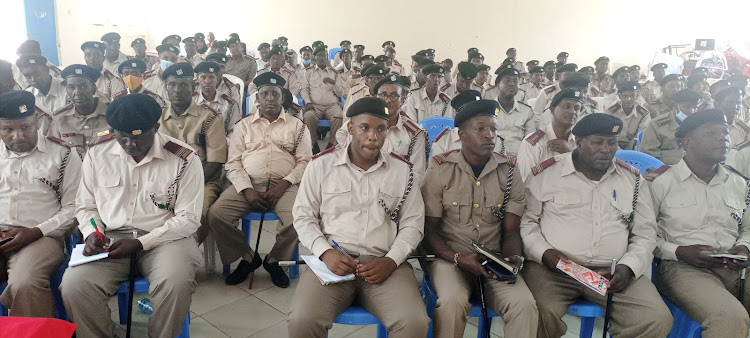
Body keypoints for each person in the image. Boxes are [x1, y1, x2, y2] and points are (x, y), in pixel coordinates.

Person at [60, 93, 204, 338]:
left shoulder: (183, 158)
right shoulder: (97, 153)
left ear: (156, 128)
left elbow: (188, 218)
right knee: (75, 286)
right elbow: (86, 206)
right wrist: (92, 232)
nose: (129, 144)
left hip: (165, 238)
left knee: (175, 282)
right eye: (122, 136)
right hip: (110, 237)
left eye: (138, 136)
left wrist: (140, 243)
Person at [521, 113, 672, 338]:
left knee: (655, 318)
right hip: (554, 271)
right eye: (597, 142)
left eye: (612, 143)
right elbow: (527, 223)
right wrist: (544, 253)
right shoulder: (547, 174)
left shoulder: (631, 179)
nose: (606, 149)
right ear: (578, 141)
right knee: (535, 311)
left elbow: (645, 232)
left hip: (613, 272)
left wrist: (628, 267)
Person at [289, 97, 430, 337]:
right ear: (351, 128)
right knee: (302, 321)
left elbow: (413, 223)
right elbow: (304, 217)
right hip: (332, 263)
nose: (373, 136)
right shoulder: (321, 166)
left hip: (384, 265)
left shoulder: (402, 170)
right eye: (365, 127)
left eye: (381, 129)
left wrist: (391, 261)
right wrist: (325, 252)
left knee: (414, 321)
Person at [421, 90, 538, 338]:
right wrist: (457, 258)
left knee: (524, 304)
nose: (489, 135)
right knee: (452, 302)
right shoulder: (440, 169)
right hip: (450, 259)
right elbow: (429, 232)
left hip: (493, 259)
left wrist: (512, 258)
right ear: (461, 135)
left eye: (494, 129)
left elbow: (510, 229)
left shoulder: (509, 171)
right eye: (480, 129)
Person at [650, 109, 750, 337]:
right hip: (683, 268)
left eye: (725, 133)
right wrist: (678, 251)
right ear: (687, 142)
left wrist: (744, 246)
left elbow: (747, 227)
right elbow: (642, 234)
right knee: (730, 318)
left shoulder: (737, 182)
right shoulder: (662, 182)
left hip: (734, 267)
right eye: (711, 133)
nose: (722, 138)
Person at [208, 73, 311, 287]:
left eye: (275, 94)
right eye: (265, 94)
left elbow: (305, 162)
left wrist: (283, 185)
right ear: (258, 99)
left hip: (285, 185)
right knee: (217, 214)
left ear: (283, 98)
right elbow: (233, 163)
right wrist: (247, 190)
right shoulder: (243, 126)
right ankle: (247, 258)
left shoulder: (298, 126)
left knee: (299, 219)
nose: (270, 98)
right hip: (248, 184)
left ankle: (274, 260)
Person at [0, 90, 81, 317]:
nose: (18, 136)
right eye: (7, 129)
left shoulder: (63, 154)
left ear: (36, 120)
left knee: (24, 283)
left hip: (41, 238)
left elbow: (75, 208)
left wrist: (36, 231)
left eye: (25, 127)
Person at [156, 63, 226, 251]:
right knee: (150, 213)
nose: (178, 90)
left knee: (196, 214)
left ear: (193, 88)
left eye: (184, 85)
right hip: (162, 182)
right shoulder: (156, 119)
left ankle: (185, 255)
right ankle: (158, 254)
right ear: (166, 88)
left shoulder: (209, 117)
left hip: (203, 182)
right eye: (173, 85)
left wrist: (186, 187)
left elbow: (215, 162)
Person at [337, 75, 428, 173]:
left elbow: (417, 173)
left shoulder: (414, 133)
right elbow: (342, 139)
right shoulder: (360, 124)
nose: (388, 100)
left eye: (394, 95)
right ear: (376, 97)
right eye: (383, 95)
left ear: (402, 99)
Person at [517, 89, 582, 181]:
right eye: (567, 106)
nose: (572, 112)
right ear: (552, 110)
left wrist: (571, 154)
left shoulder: (580, 142)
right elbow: (527, 181)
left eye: (577, 108)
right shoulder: (534, 142)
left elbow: (587, 179)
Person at [49, 64, 111, 156]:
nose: (77, 92)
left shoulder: (111, 114)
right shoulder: (59, 119)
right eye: (71, 87)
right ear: (67, 90)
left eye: (83, 86)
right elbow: (54, 153)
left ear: (94, 89)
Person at [301, 45, 346, 153]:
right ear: (315, 57)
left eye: (324, 55)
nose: (322, 58)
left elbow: (341, 93)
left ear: (327, 58)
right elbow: (304, 89)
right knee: (308, 116)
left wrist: (333, 83)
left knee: (339, 116)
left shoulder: (334, 73)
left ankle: (331, 145)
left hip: (332, 105)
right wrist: (307, 102)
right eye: (319, 55)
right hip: (315, 105)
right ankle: (314, 145)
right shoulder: (308, 72)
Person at [482, 65, 534, 156]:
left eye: (515, 81)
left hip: (519, 158)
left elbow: (530, 140)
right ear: (498, 85)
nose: (512, 84)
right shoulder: (486, 110)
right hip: (492, 157)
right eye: (507, 81)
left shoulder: (527, 111)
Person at [641, 89, 702, 165]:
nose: (691, 111)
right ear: (676, 106)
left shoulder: (700, 126)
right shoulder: (657, 125)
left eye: (695, 108)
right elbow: (648, 155)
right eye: (686, 107)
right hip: (664, 169)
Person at [17, 54, 66, 133]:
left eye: (37, 74)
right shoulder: (26, 97)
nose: (33, 79)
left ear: (47, 70)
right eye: (28, 76)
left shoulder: (68, 90)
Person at [193, 61, 241, 136]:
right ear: (197, 78)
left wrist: (224, 144)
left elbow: (234, 130)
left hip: (221, 142)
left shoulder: (229, 103)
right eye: (203, 77)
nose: (207, 81)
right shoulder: (191, 101)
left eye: (211, 77)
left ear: (217, 79)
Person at [603, 81, 651, 149]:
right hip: (612, 144)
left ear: (636, 96)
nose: (629, 99)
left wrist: (631, 148)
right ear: (620, 96)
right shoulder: (611, 111)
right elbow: (606, 133)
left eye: (632, 96)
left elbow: (642, 135)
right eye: (625, 96)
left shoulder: (643, 114)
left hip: (634, 146)